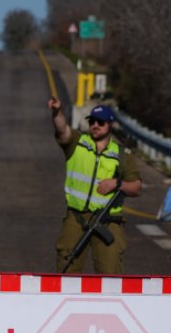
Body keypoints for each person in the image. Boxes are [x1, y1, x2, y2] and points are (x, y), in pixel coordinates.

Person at [47, 96, 141, 273]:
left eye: (101, 122)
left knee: (110, 276)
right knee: (66, 272)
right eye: (93, 122)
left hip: (107, 221)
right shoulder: (77, 142)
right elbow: (62, 130)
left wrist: (117, 183)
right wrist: (57, 111)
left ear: (110, 125)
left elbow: (136, 187)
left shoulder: (122, 155)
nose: (96, 125)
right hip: (76, 218)